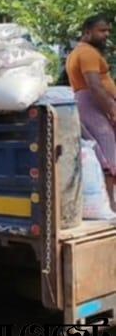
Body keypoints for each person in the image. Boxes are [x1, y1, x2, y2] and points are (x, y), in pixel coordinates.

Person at [66, 14, 116, 210]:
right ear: (87, 32)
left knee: (104, 151)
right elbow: (94, 85)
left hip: (88, 102)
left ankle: (110, 204)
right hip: (92, 102)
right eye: (102, 30)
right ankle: (111, 206)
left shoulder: (79, 52)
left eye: (108, 31)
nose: (106, 35)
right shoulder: (87, 53)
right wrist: (112, 110)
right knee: (108, 150)